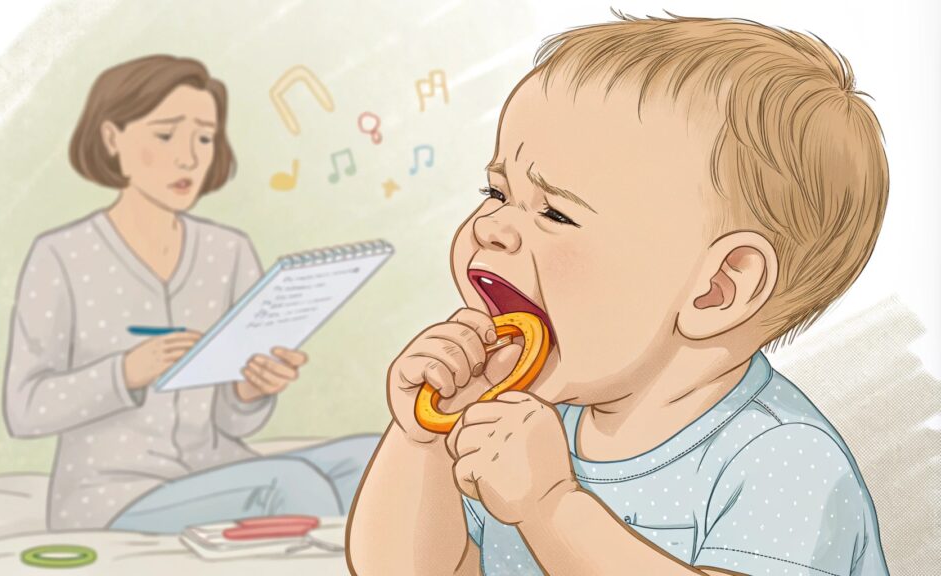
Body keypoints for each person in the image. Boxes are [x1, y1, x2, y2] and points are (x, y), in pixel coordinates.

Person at [348, 13, 890, 575]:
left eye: (555, 211)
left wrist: (551, 506)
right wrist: (421, 441)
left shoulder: (784, 460)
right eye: (498, 191)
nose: (491, 226)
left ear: (717, 289)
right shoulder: (530, 425)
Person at [3, 55, 377, 534]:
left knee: (375, 457)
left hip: (216, 470)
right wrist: (126, 372)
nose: (190, 157)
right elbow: (25, 409)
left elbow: (234, 423)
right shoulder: (61, 256)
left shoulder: (230, 251)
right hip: (113, 496)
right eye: (165, 135)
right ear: (112, 137)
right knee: (292, 486)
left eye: (204, 137)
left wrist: (249, 390)